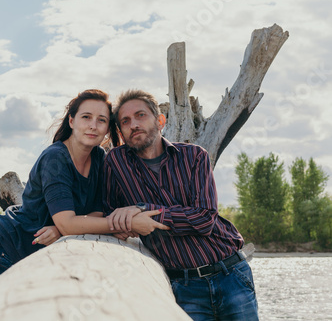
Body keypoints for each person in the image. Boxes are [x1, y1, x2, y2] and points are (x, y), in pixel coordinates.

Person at [0, 89, 161, 320]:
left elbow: (97, 210)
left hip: (37, 256)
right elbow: (69, 221)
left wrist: (61, 228)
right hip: (0, 250)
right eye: (86, 117)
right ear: (71, 121)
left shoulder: (100, 158)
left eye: (101, 120)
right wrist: (123, 224)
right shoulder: (56, 158)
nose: (93, 125)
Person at [103, 89, 259, 321]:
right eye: (125, 121)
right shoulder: (116, 163)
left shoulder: (194, 156)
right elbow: (111, 214)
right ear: (121, 131)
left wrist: (145, 212)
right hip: (182, 285)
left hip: (230, 274)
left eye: (140, 115)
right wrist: (130, 223)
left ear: (160, 120)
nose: (133, 124)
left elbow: (204, 219)